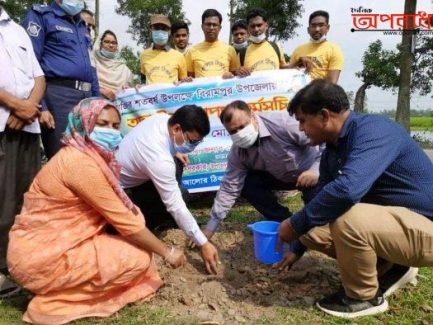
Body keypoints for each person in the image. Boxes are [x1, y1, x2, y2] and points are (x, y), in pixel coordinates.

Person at [7, 98, 186, 324]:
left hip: (49, 247)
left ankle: (58, 287)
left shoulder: (85, 156)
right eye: (102, 124)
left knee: (141, 257)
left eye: (114, 126)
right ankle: (52, 303)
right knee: (138, 260)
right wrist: (167, 252)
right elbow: (126, 222)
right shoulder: (79, 164)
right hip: (43, 256)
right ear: (84, 123)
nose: (110, 132)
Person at [278, 79, 433, 318]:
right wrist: (298, 244)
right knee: (311, 229)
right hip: (397, 226)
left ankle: (364, 298)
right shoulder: (333, 150)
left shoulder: (375, 131)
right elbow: (321, 200)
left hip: (426, 228)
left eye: (302, 120)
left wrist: (294, 224)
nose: (301, 128)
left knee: (347, 217)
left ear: (323, 116)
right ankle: (390, 266)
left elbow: (347, 189)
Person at [116, 106, 221, 275]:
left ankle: (169, 220)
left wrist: (175, 151)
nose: (193, 146)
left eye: (197, 142)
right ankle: (147, 226)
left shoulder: (162, 119)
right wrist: (203, 243)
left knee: (177, 169)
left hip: (137, 176)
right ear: (177, 128)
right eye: (192, 141)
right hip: (122, 191)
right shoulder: (159, 158)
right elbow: (175, 205)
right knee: (178, 199)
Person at [204, 100, 321, 246]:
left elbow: (324, 141)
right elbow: (229, 187)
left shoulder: (283, 124)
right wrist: (210, 228)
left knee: (318, 224)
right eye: (233, 131)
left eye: (242, 127)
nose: (239, 134)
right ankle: (283, 220)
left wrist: (315, 170)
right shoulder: (238, 152)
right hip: (279, 176)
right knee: (247, 182)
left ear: (253, 116)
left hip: (311, 174)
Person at [0, 5, 46, 298]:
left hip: (28, 127)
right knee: (1, 200)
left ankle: (18, 266)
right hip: (3, 125)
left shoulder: (17, 30)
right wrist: (18, 105)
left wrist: (29, 106)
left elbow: (39, 78)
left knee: (25, 199)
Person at [23, 0, 100, 159]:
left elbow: (91, 66)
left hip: (86, 98)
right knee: (63, 159)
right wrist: (41, 106)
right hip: (58, 97)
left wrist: (98, 102)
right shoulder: (41, 15)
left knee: (87, 159)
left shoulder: (81, 24)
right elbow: (30, 62)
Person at [290, 10, 344, 83]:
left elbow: (331, 82)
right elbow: (288, 74)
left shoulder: (334, 49)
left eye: (321, 25)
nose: (317, 29)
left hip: (321, 93)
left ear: (327, 28)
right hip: (298, 92)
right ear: (308, 30)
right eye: (313, 26)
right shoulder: (298, 50)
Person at [185, 9, 240, 78]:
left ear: (220, 28)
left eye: (214, 25)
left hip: (223, 89)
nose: (211, 28)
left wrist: (231, 76)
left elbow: (235, 76)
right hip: (200, 89)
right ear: (202, 27)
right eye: (208, 24)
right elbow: (190, 79)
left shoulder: (230, 50)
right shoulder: (191, 51)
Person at [140, 14, 188, 85]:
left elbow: (184, 83)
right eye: (156, 28)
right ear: (151, 30)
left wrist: (182, 82)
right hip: (151, 96)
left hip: (171, 95)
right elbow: (143, 80)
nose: (160, 31)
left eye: (163, 28)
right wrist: (139, 86)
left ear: (169, 32)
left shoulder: (179, 56)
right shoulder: (144, 55)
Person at [93, 30, 134, 101]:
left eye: (114, 43)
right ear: (100, 44)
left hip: (119, 108)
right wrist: (101, 90)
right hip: (95, 106)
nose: (111, 45)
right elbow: (86, 86)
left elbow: (130, 93)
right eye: (106, 42)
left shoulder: (124, 70)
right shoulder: (92, 64)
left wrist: (127, 90)